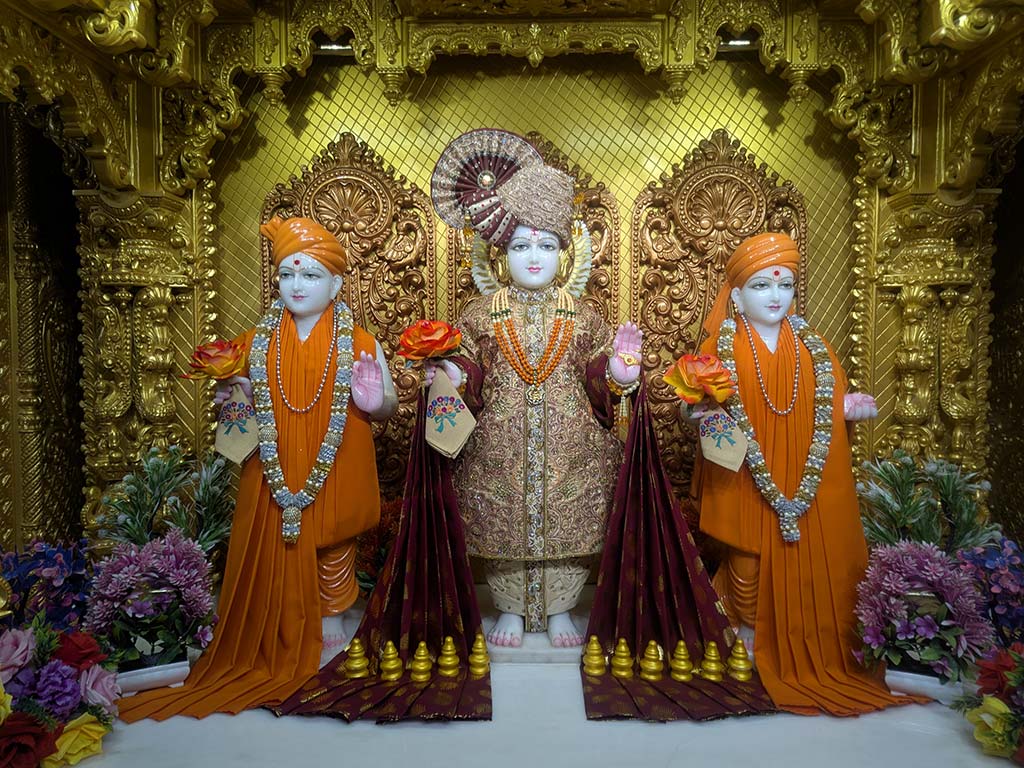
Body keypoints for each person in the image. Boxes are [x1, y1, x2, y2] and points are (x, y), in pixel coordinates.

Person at [120, 216, 397, 721]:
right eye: (288, 275)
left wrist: (376, 399)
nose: (297, 286)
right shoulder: (255, 340)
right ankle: (275, 619)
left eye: (311, 276)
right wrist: (235, 395)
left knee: (333, 533)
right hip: (274, 463)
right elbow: (239, 403)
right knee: (279, 534)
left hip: (335, 456)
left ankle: (332, 611)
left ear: (336, 284)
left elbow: (387, 405)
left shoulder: (359, 341)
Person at [428, 129, 642, 649]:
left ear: (565, 256)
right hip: (498, 444)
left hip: (571, 446)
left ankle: (563, 608)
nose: (532, 257)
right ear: (500, 256)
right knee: (503, 523)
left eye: (546, 246)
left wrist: (618, 373)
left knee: (569, 520)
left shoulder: (583, 314)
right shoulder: (481, 313)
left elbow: (595, 378)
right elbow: (470, 364)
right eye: (521, 245)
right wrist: (456, 374)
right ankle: (507, 608)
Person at [693, 231, 910, 716]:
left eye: (785, 286)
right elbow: (702, 403)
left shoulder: (814, 345)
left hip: (803, 480)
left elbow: (830, 396)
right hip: (747, 474)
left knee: (805, 563)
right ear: (738, 293)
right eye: (762, 287)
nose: (774, 297)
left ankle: (798, 644)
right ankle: (745, 636)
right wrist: (702, 411)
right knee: (747, 564)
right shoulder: (720, 344)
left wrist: (846, 409)